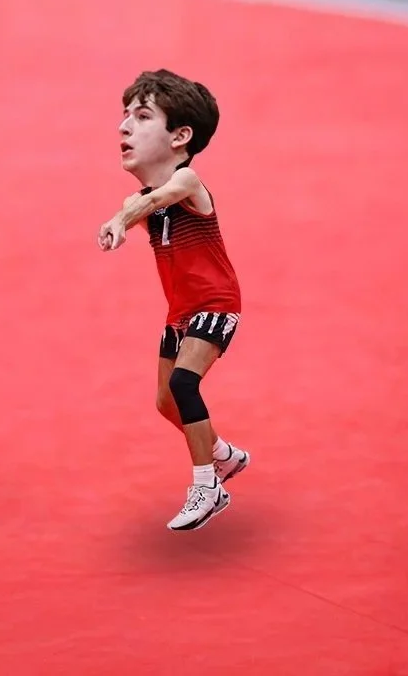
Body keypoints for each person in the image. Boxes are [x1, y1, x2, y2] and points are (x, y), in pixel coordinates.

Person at [98, 69, 248, 532]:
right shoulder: (144, 197)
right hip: (180, 312)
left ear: (181, 136)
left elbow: (153, 200)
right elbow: (143, 201)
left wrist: (122, 218)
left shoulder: (188, 183)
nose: (124, 126)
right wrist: (128, 211)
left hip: (216, 303)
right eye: (124, 115)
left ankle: (207, 487)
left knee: (185, 386)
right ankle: (223, 454)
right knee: (166, 402)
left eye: (142, 116)